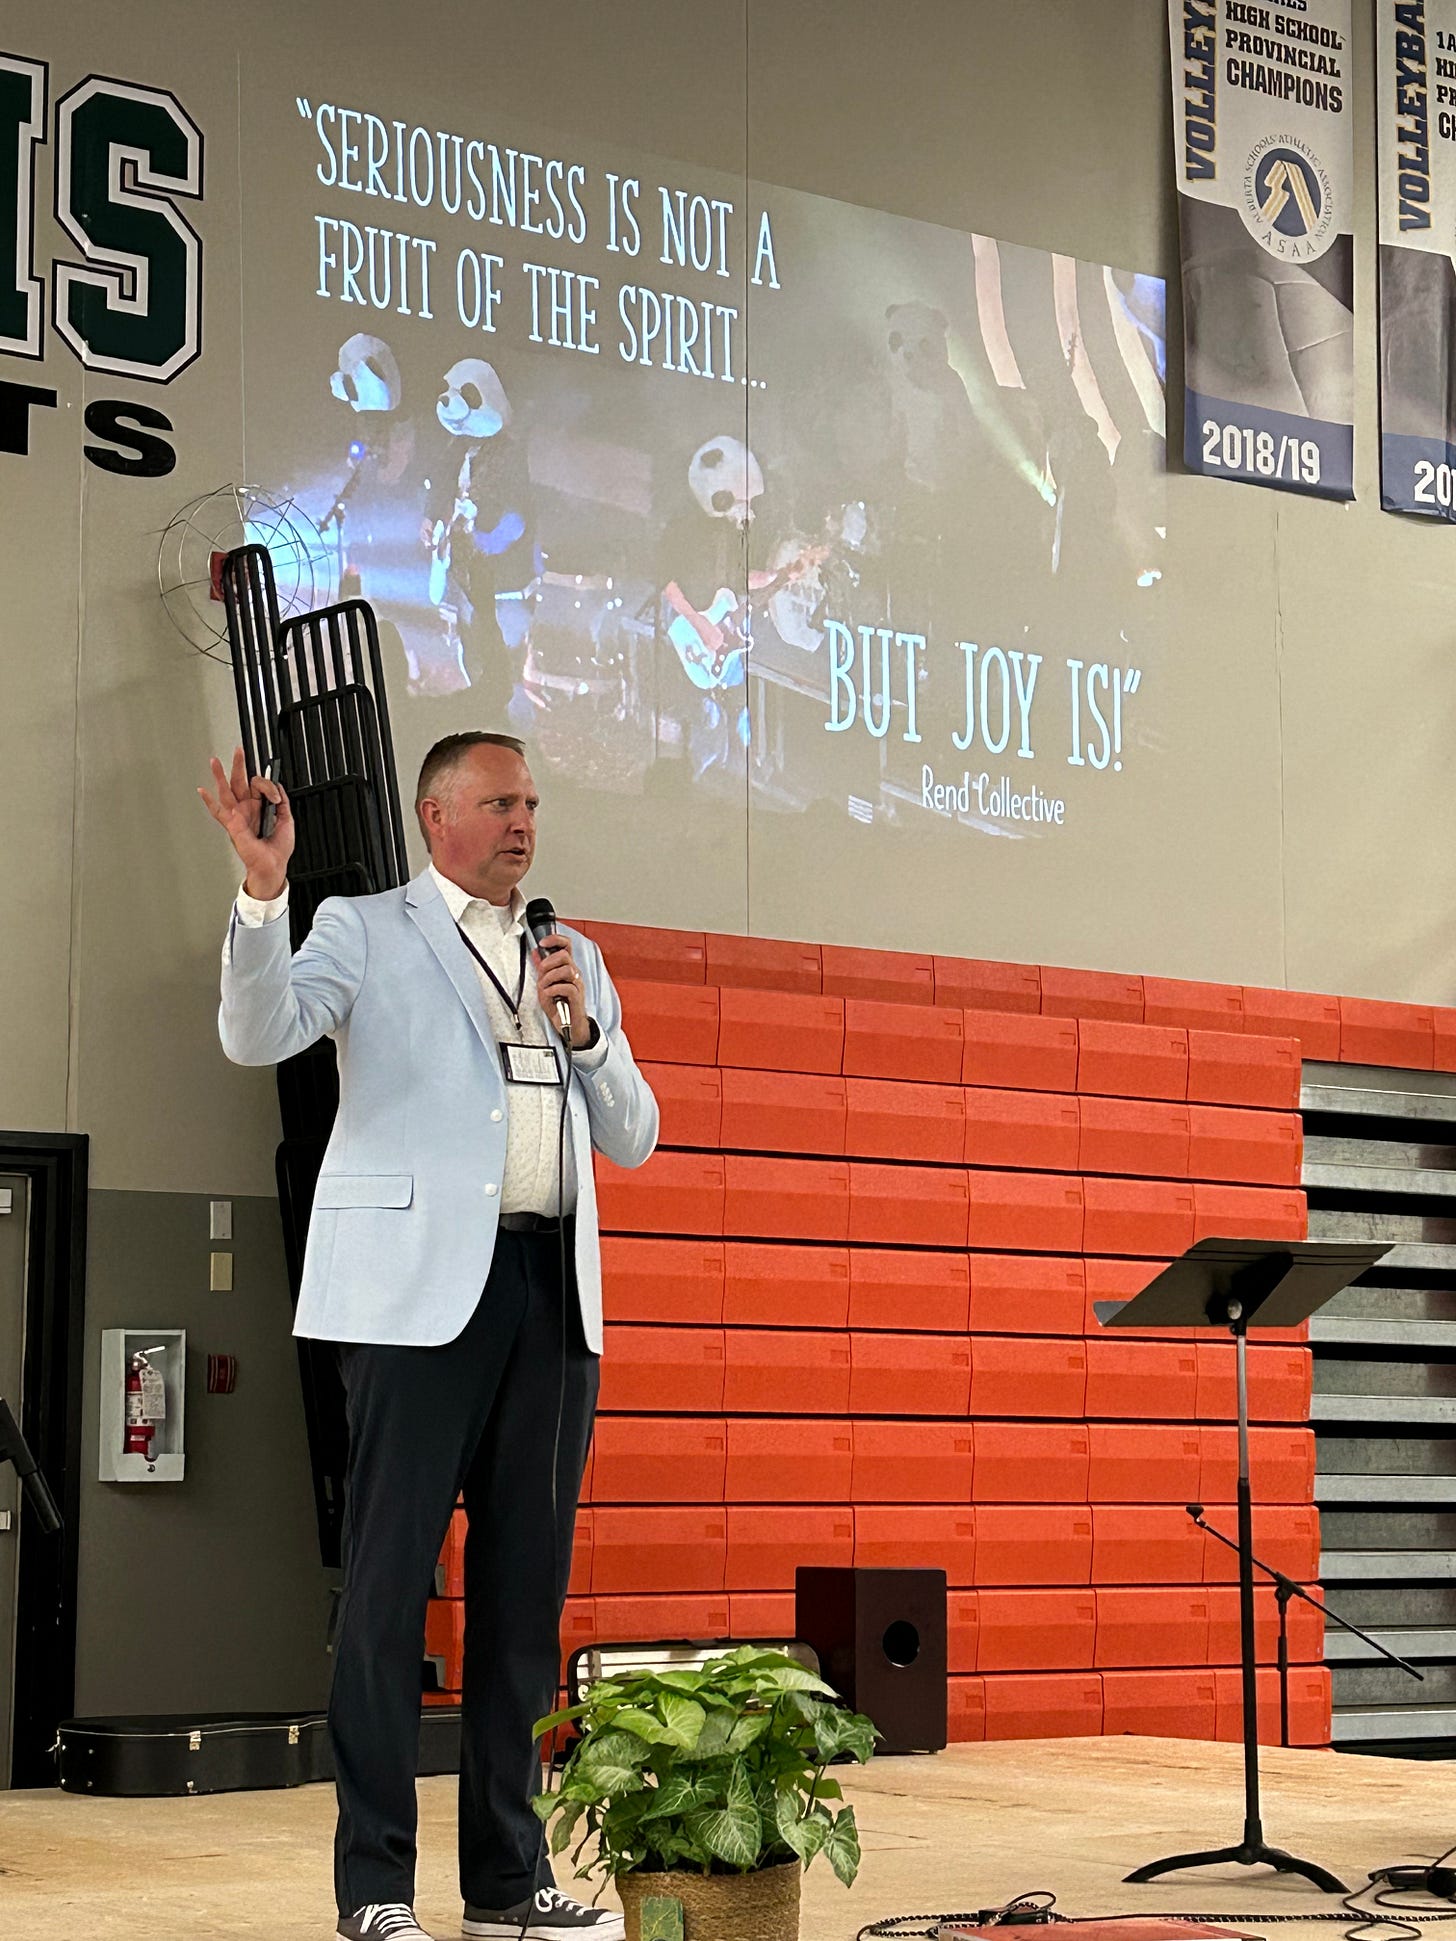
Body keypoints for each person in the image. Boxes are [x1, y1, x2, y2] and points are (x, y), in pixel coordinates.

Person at [199, 731, 658, 1941]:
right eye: (501, 802)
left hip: (548, 1290)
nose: (524, 822)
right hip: (413, 1299)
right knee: (392, 1591)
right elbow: (260, 1034)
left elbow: (636, 1136)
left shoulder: (574, 955)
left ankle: (508, 1884)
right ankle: (375, 1889)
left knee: (524, 1596)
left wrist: (586, 1034)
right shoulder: (363, 926)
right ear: (436, 815)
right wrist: (262, 895)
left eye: (533, 803)